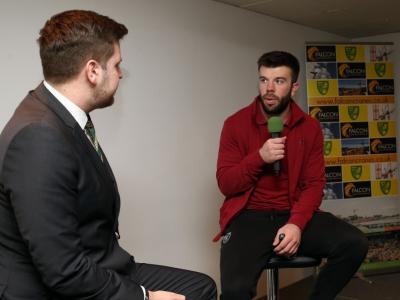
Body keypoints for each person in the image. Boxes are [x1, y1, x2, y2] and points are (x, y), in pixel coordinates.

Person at [0, 10, 216, 300]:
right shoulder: (40, 137)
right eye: (116, 64)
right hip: (51, 287)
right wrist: (145, 297)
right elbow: (63, 270)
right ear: (92, 71)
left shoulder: (59, 116)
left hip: (98, 262)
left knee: (200, 288)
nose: (120, 73)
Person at [214, 51, 368, 300]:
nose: (270, 89)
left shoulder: (310, 127)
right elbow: (226, 184)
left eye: (279, 81)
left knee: (354, 243)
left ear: (294, 86)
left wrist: (296, 223)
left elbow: (314, 184)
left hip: (293, 212)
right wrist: (259, 157)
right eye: (264, 80)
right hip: (249, 217)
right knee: (235, 291)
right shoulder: (235, 124)